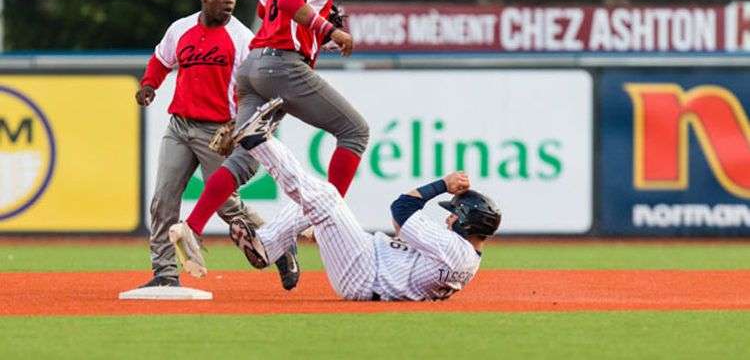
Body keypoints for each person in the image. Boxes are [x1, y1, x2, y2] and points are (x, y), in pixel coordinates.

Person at [173, 0, 369, 269]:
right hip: (281, 67)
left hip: (253, 68)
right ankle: (323, 220)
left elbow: (267, 7)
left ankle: (191, 226)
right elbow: (292, 1)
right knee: (355, 131)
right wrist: (329, 30)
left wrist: (315, 32)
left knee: (246, 158)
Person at [170, 98, 502, 301]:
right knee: (319, 203)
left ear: (468, 221)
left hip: (365, 274)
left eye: (454, 214)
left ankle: (259, 142)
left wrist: (442, 185)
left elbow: (401, 209)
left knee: (326, 198)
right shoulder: (463, 255)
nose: (449, 217)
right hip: (368, 263)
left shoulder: (454, 250)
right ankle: (267, 246)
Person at [135, 0, 299, 290]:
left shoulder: (241, 39)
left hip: (219, 133)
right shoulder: (180, 29)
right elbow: (160, 59)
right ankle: (165, 273)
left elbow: (255, 88)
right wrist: (149, 84)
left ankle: (279, 246)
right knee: (163, 200)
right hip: (180, 126)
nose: (229, 0)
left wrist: (241, 128)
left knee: (226, 207)